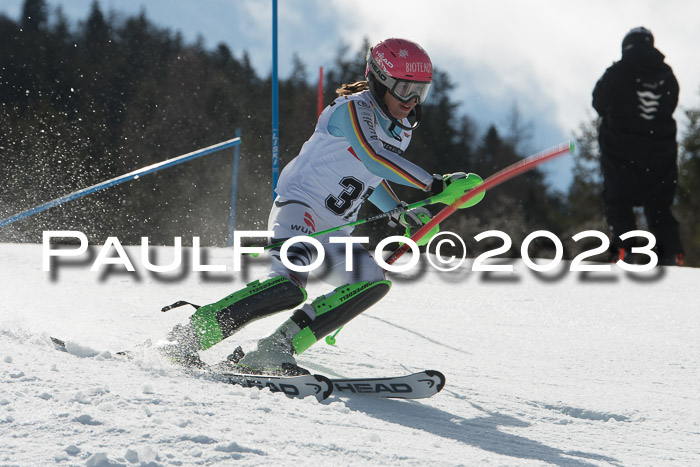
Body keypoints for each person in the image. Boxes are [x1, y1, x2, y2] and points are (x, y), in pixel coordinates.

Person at [158, 38, 470, 375]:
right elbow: (374, 158)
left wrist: (401, 212)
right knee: (287, 288)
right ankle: (186, 338)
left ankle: (275, 350)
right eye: (404, 88)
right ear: (379, 79)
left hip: (334, 233)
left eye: (420, 92)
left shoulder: (399, 129)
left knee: (372, 281)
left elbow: (370, 176)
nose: (411, 100)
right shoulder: (353, 109)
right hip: (299, 211)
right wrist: (435, 184)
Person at [592, 27, 684, 265]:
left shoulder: (618, 71)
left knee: (618, 202)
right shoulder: (666, 74)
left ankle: (625, 251)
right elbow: (671, 104)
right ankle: (672, 255)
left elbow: (599, 103)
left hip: (621, 154)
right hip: (659, 156)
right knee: (659, 207)